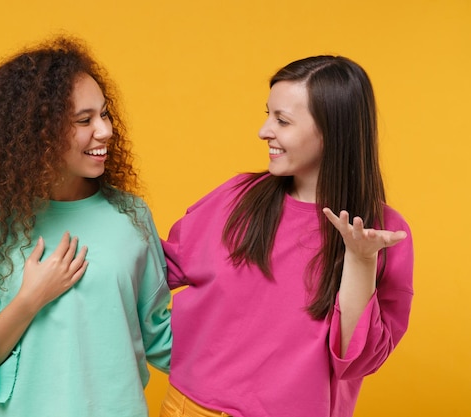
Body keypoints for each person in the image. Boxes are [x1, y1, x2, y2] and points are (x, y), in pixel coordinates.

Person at [160, 56, 413, 417]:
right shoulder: (237, 198)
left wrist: (360, 259)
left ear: (332, 132)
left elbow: (354, 361)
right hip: (189, 408)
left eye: (282, 121)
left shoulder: (381, 234)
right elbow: (155, 269)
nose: (264, 131)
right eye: (268, 115)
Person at [0, 35, 172, 417]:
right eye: (84, 120)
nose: (105, 130)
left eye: (105, 114)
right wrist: (31, 299)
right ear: (36, 134)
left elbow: (159, 336)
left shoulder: (131, 215)